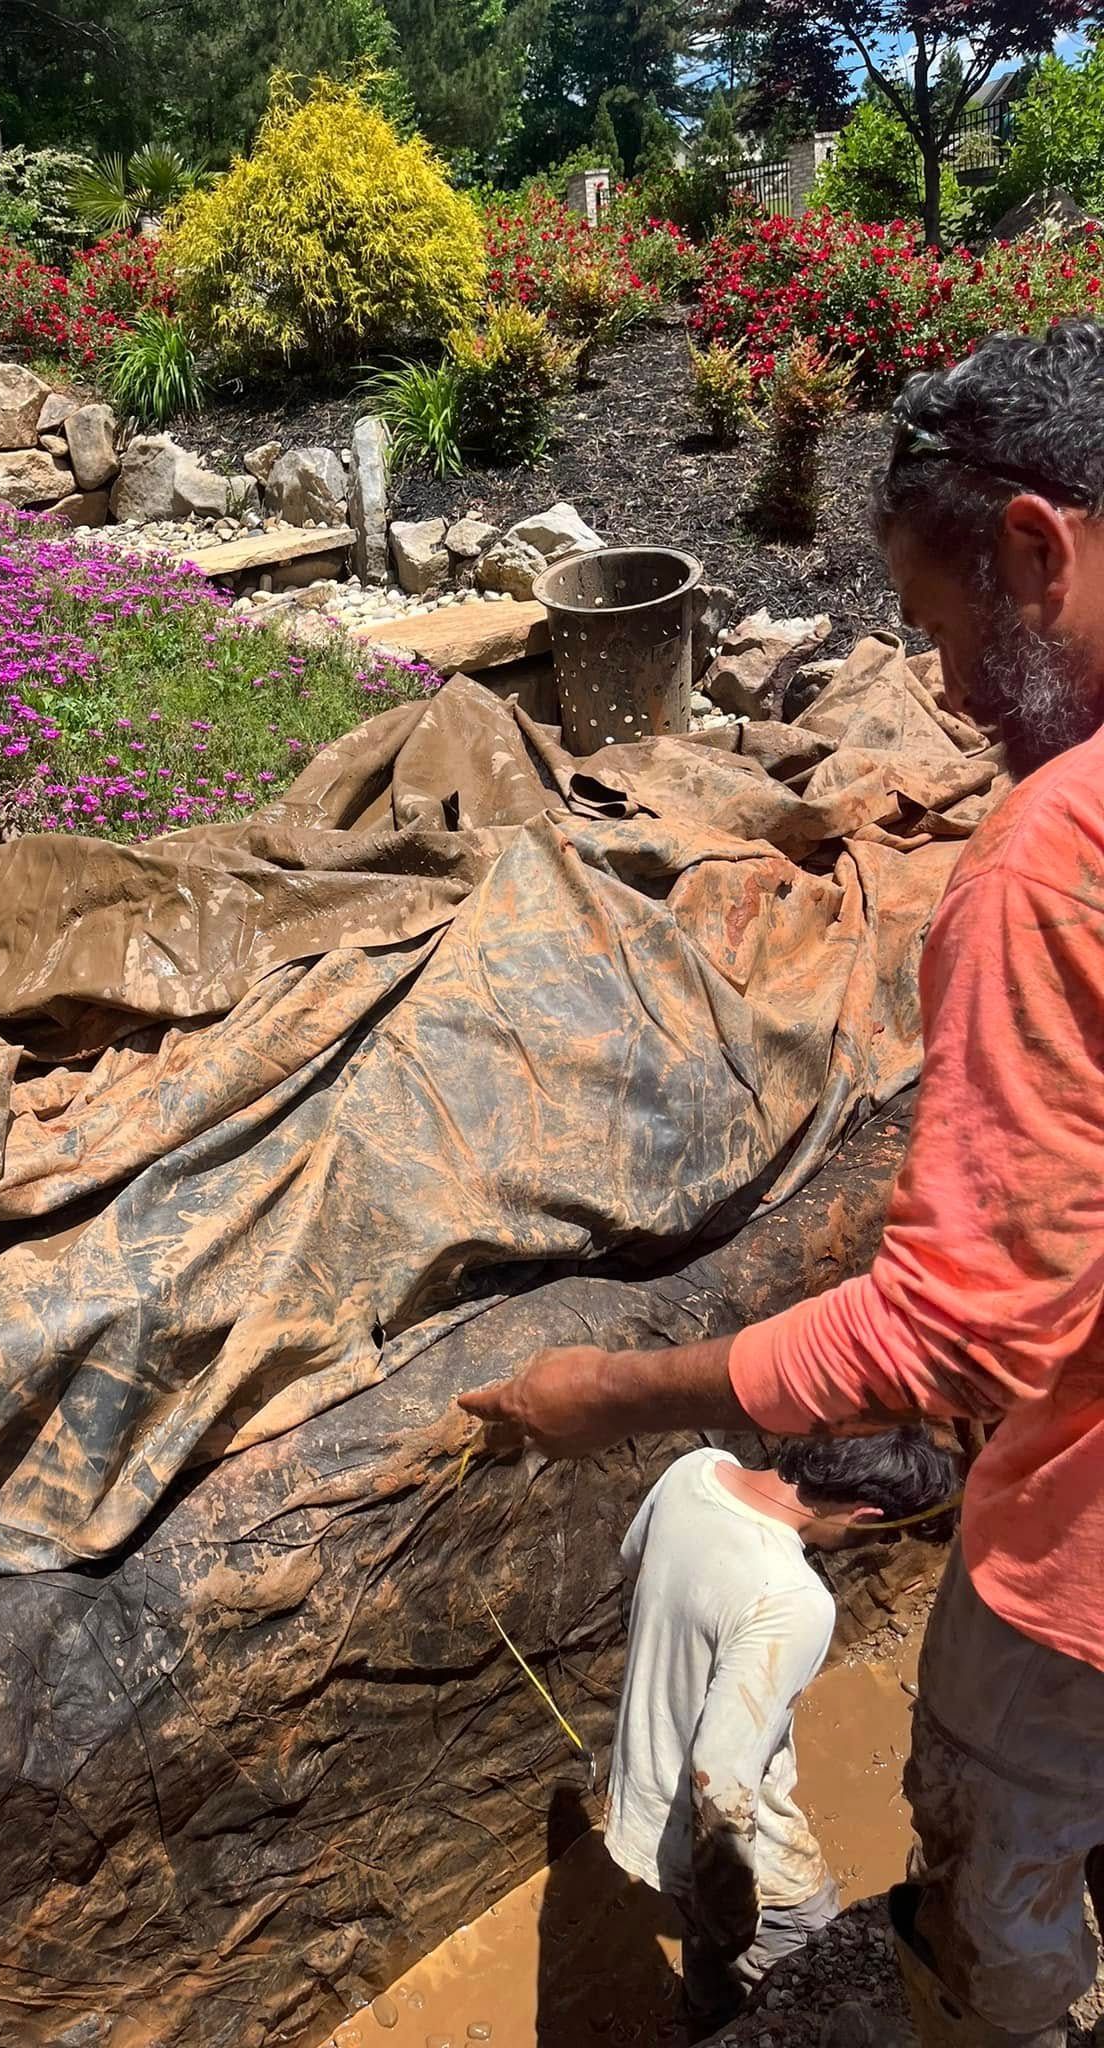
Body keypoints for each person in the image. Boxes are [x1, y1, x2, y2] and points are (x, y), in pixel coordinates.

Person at [459, 319, 1104, 2048]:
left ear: (1038, 548)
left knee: (994, 1940)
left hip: (1085, 1595)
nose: (946, 689)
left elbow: (964, 1324)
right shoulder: (785, 1578)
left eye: (949, 630)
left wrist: (607, 1389)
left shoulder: (1059, 856)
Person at [606, 1432, 955, 2034]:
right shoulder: (795, 1599)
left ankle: (709, 2018)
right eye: (888, 1535)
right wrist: (736, 1913)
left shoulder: (696, 1470)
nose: (882, 1548)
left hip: (645, 1805)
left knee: (709, 1962)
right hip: (737, 1853)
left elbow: (632, 1570)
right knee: (826, 1971)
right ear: (866, 1514)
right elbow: (719, 1774)